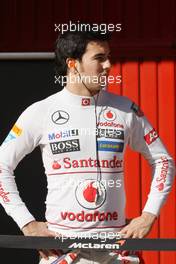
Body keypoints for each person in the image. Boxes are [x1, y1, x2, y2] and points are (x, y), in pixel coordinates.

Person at [0, 27, 175, 264]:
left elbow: (163, 160)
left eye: (108, 57)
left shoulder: (126, 109)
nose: (108, 66)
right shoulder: (40, 112)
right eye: (99, 58)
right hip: (61, 250)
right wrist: (28, 224)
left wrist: (149, 215)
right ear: (73, 64)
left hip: (117, 250)